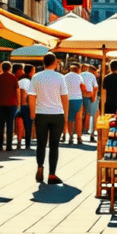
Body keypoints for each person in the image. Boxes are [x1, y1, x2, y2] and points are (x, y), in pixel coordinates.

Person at [29, 53, 69, 185]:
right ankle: (52, 174)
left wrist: (32, 114)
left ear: (43, 63)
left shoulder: (36, 77)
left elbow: (31, 97)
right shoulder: (60, 77)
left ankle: (40, 167)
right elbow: (64, 98)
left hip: (41, 114)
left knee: (41, 144)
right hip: (57, 114)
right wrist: (66, 117)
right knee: (54, 145)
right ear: (55, 63)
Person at [0, 61, 20, 152]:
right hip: (11, 104)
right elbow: (17, 91)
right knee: (10, 125)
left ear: (2, 68)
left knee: (0, 125)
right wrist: (18, 103)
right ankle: (9, 145)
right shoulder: (13, 78)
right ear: (10, 68)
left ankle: (0, 146)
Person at [62, 63, 84, 145]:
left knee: (69, 119)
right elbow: (83, 87)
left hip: (68, 99)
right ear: (77, 70)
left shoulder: (65, 77)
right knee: (78, 119)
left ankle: (70, 136)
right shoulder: (79, 77)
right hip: (77, 99)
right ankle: (79, 137)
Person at [17, 65, 36, 150]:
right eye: (34, 71)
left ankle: (19, 141)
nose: (34, 73)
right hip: (26, 106)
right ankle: (27, 144)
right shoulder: (28, 82)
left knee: (19, 124)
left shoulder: (20, 81)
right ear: (30, 72)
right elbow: (26, 95)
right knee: (28, 125)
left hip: (17, 106)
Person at [80, 64, 100, 142]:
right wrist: (93, 98)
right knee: (94, 114)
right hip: (89, 96)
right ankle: (91, 133)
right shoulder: (92, 76)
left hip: (80, 96)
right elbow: (95, 88)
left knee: (81, 115)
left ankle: (80, 133)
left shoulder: (80, 75)